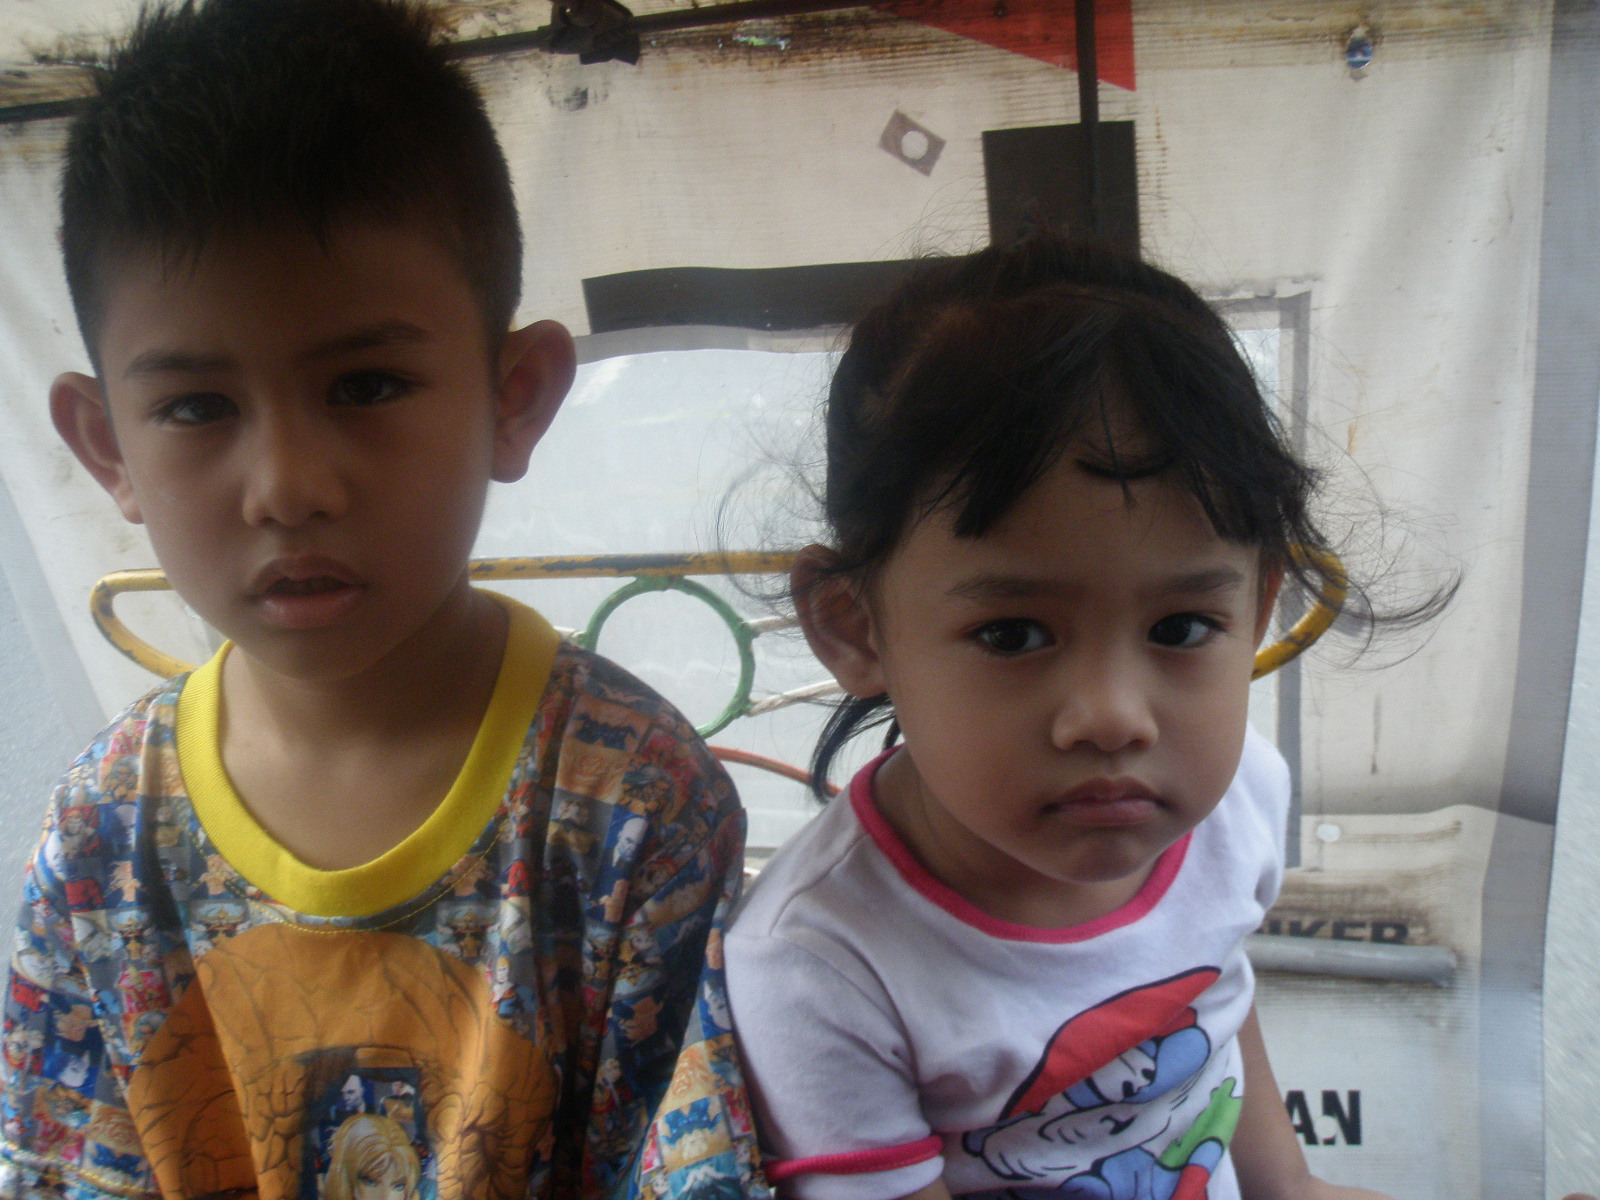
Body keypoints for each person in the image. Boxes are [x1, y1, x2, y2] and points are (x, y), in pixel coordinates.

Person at [0, 1, 761, 1197]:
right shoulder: (101, 838)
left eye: (364, 385)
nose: (287, 487)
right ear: (107, 449)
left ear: (512, 397)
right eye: (197, 407)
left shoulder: (632, 807)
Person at [724, 232, 1430, 1200]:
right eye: (1013, 635)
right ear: (855, 627)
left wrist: (1293, 1186)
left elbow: (1216, 998)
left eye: (1182, 627)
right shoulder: (820, 965)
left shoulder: (1236, 805)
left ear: (1258, 605)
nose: (1112, 718)